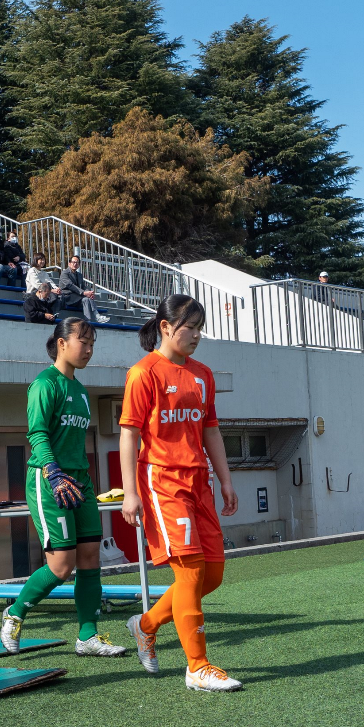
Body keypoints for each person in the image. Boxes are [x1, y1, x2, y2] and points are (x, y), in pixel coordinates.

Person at [120, 294, 242, 691]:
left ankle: (146, 624)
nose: (197, 336)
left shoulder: (203, 374)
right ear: (166, 327)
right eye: (190, 328)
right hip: (162, 482)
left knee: (212, 575)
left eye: (200, 329)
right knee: (189, 572)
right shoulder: (143, 373)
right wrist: (129, 492)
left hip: (199, 483)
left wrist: (224, 479)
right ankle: (197, 666)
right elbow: (129, 433)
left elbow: (211, 430)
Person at [0, 319, 126, 658]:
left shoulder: (82, 392)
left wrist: (77, 476)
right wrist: (53, 472)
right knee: (61, 567)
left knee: (89, 559)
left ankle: (87, 636)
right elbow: (37, 434)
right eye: (82, 342)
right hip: (48, 480)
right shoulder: (45, 384)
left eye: (92, 344)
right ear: (61, 343)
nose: (88, 349)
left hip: (80, 482)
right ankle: (15, 613)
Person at [57, 255, 100, 322]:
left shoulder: (79, 275)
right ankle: (97, 315)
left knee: (86, 299)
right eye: (73, 262)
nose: (75, 264)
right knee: (86, 297)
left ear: (79, 265)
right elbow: (70, 285)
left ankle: (88, 320)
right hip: (68, 297)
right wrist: (84, 293)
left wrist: (89, 292)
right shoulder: (64, 273)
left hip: (77, 298)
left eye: (77, 263)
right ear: (69, 263)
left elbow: (83, 286)